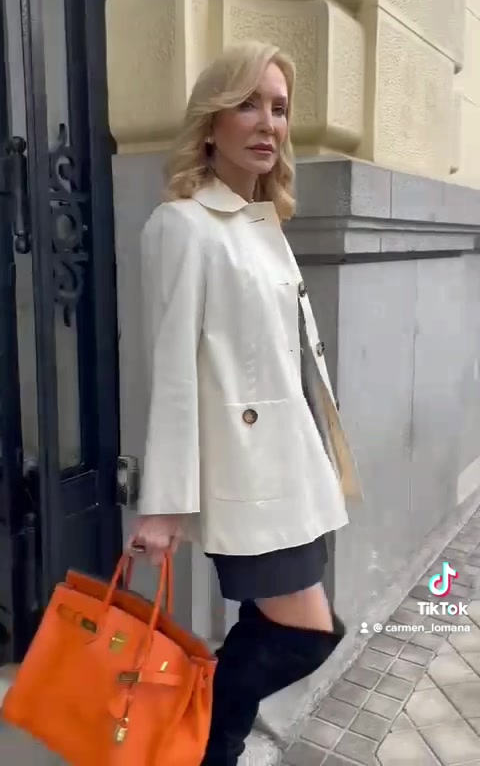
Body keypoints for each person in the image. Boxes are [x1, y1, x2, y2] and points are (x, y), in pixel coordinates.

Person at [131, 40, 361, 765]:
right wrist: (164, 505)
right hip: (250, 477)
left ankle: (204, 744)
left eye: (280, 108)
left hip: (293, 469)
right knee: (306, 633)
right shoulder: (182, 224)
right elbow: (172, 369)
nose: (268, 123)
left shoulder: (264, 224)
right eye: (248, 105)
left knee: (284, 627)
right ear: (211, 122)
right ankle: (206, 744)